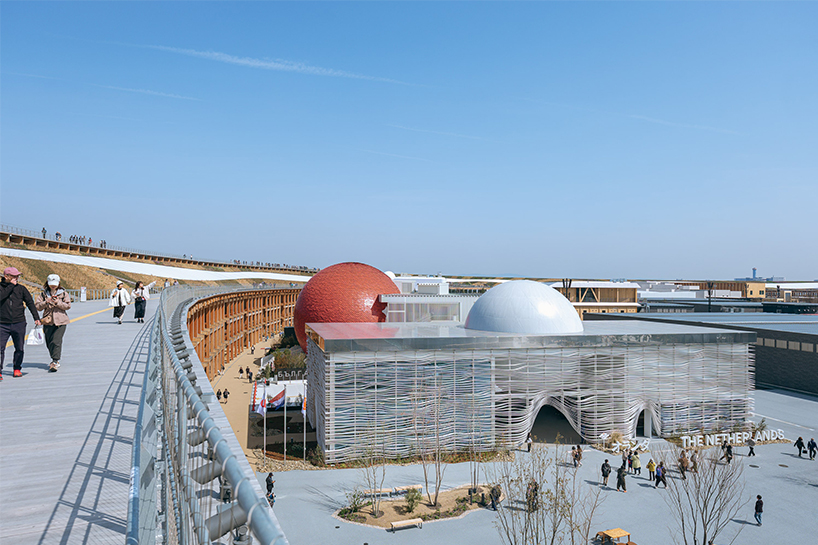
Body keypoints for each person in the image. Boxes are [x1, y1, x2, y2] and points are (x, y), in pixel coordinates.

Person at [0, 267, 41, 379]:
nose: (16, 278)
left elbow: (30, 303)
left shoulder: (21, 289)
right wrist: (11, 286)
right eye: (14, 276)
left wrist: (36, 318)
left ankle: (17, 368)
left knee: (19, 348)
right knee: (0, 348)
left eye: (17, 276)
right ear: (6, 277)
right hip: (2, 323)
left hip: (19, 323)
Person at [34, 274, 71, 372]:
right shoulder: (43, 294)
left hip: (61, 321)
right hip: (48, 321)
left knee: (56, 341)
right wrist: (47, 302)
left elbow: (68, 306)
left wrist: (57, 302)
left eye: (55, 284)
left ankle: (55, 361)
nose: (53, 286)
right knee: (49, 342)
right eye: (51, 284)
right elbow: (37, 306)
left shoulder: (63, 294)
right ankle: (54, 358)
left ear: (59, 283)